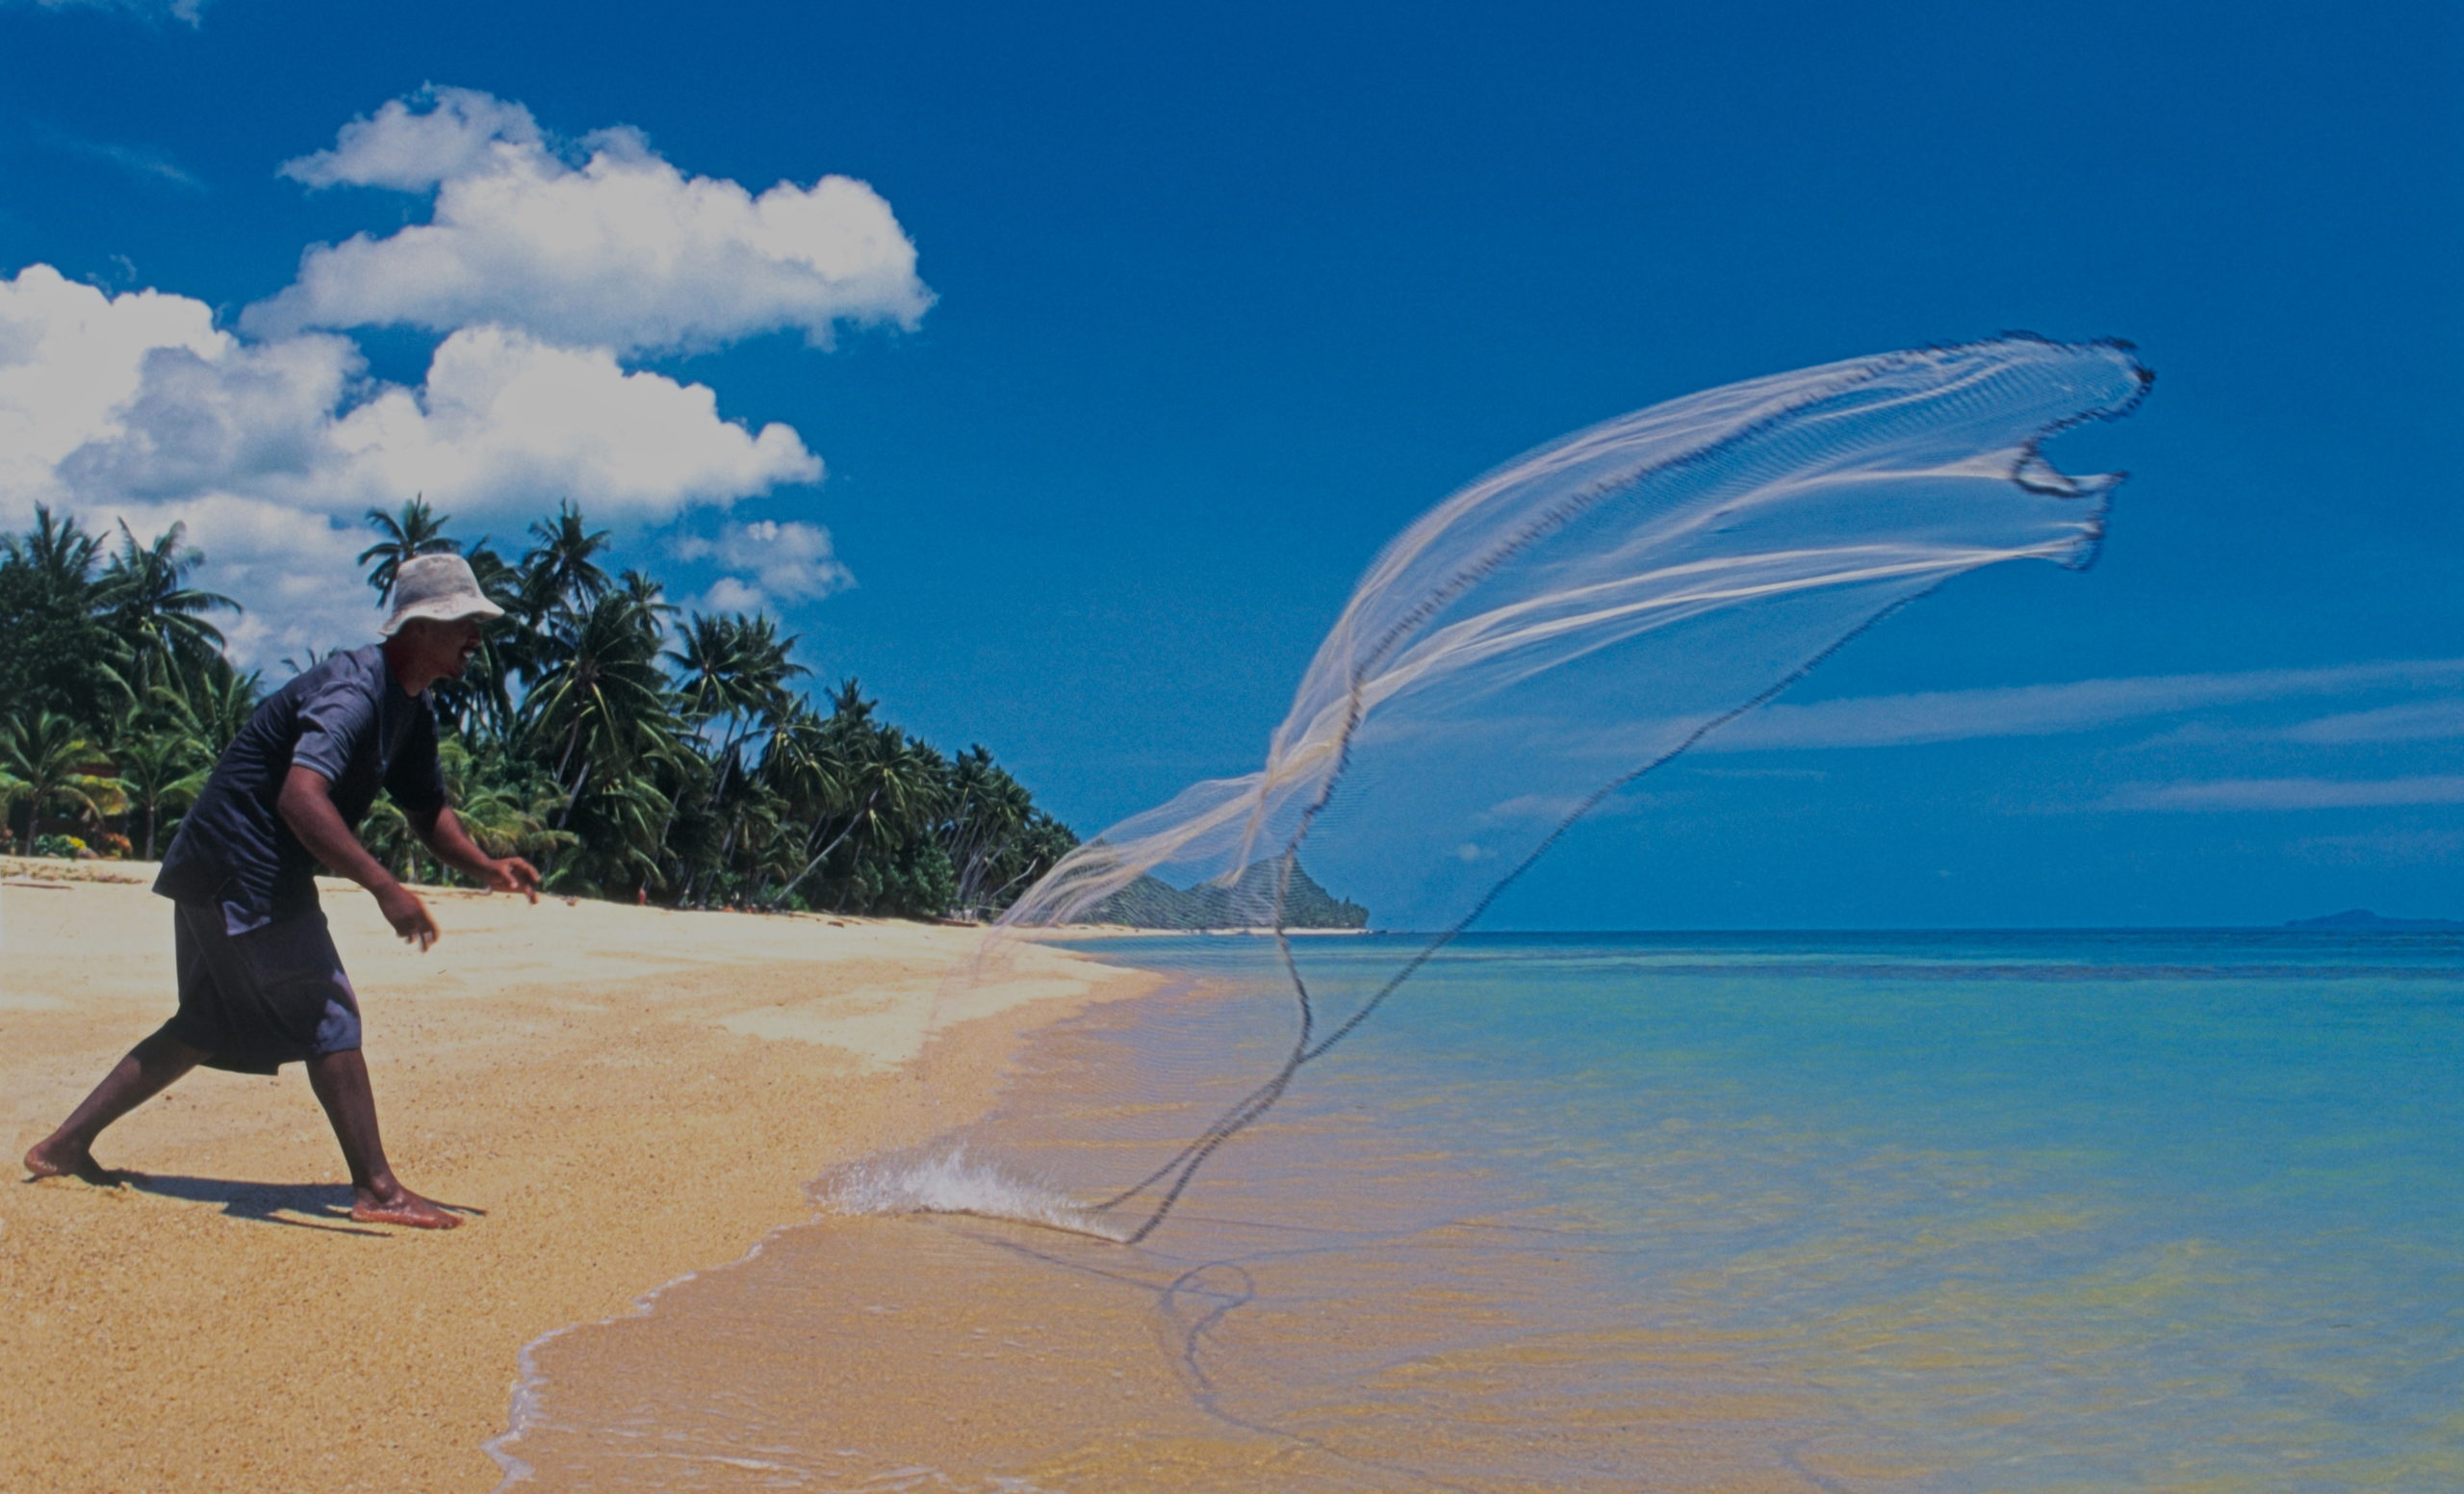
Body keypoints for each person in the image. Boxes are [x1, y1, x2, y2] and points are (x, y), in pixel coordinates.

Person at [21, 554, 540, 1229]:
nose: (476, 638)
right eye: (464, 623)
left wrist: (485, 865)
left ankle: (62, 1147)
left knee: (206, 1022)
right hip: (244, 864)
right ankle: (377, 1190)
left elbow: (426, 810)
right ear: (418, 627)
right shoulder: (355, 692)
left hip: (220, 863)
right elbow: (301, 798)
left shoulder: (410, 708)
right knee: (330, 1013)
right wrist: (385, 887)